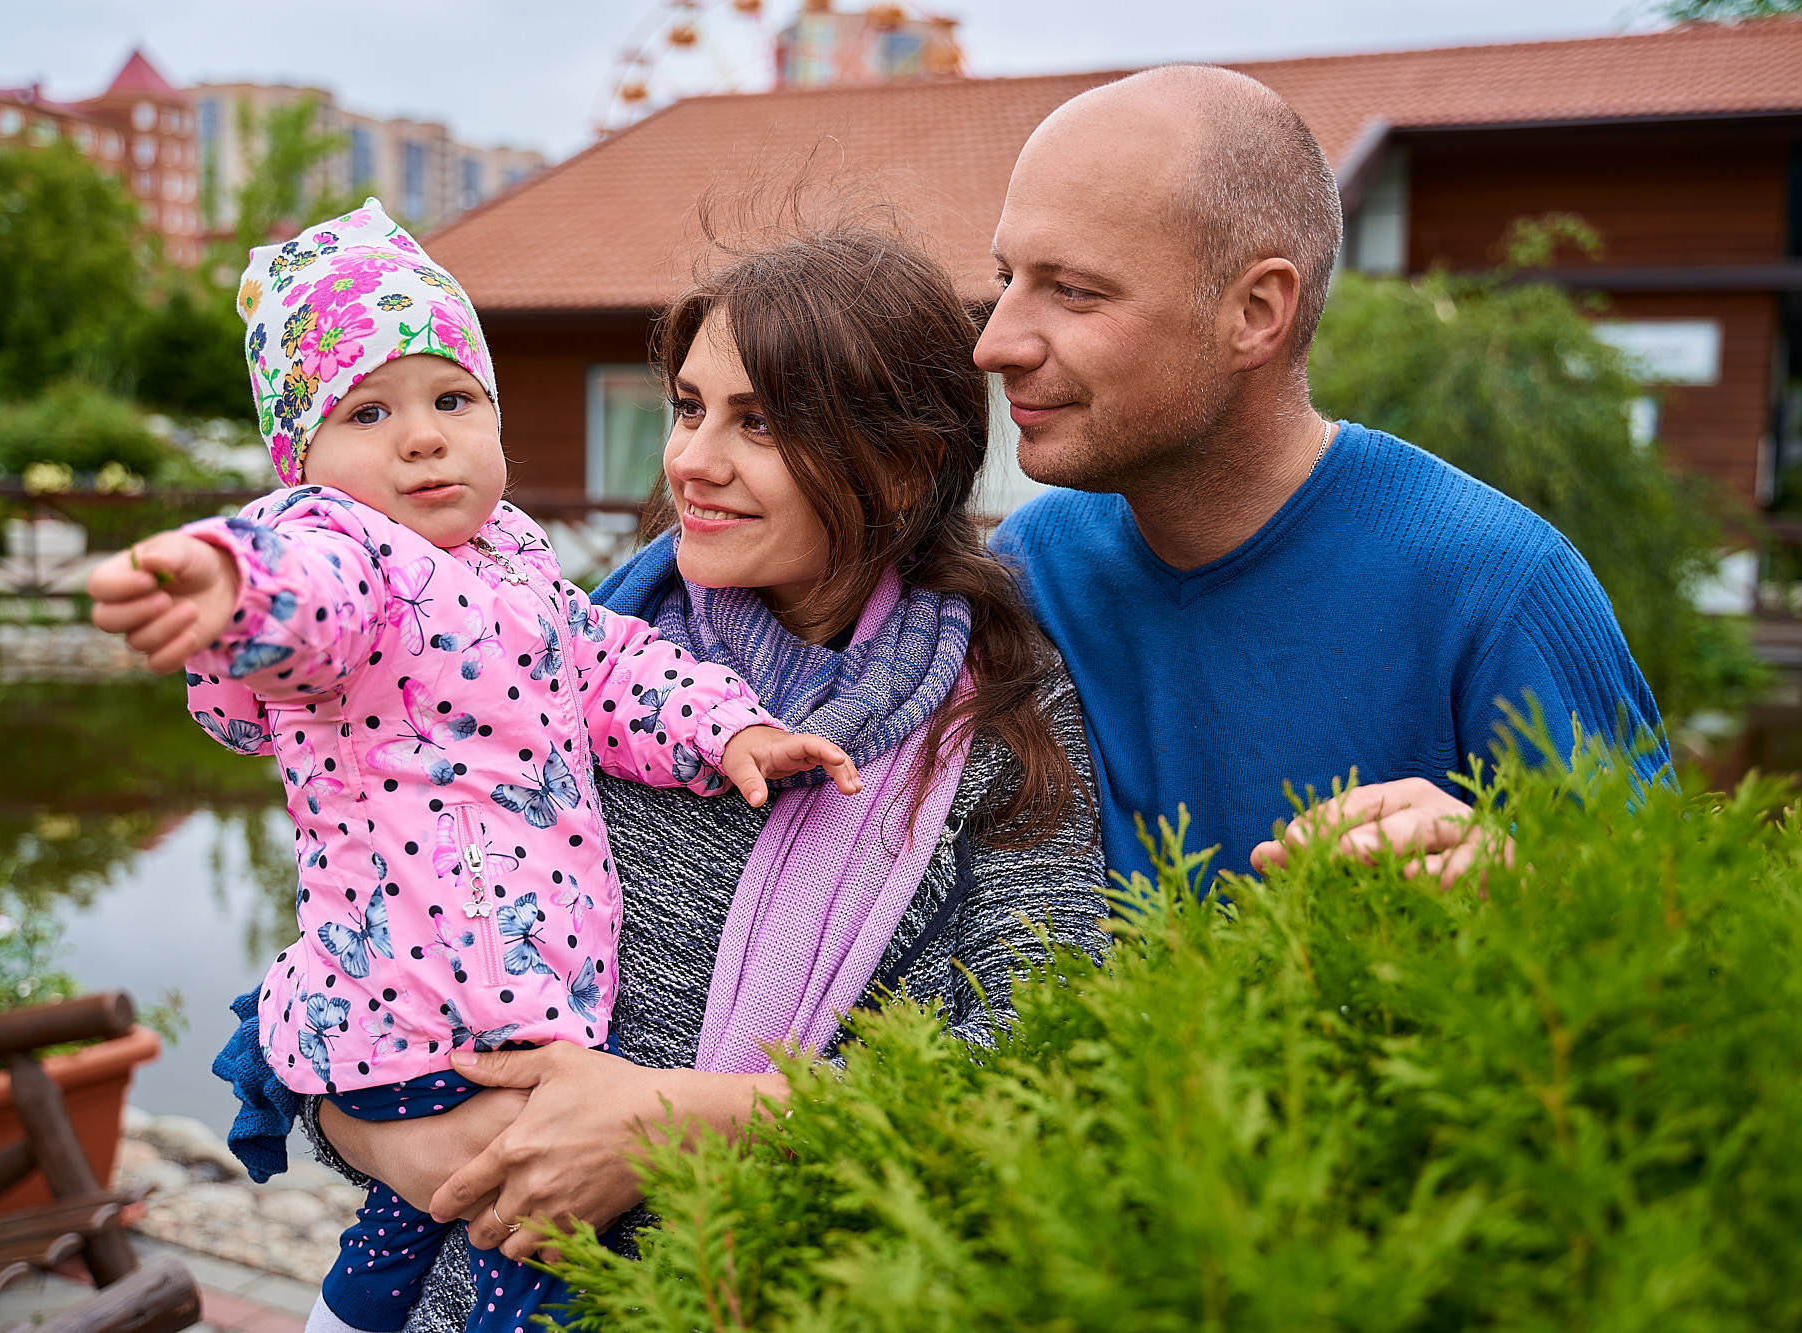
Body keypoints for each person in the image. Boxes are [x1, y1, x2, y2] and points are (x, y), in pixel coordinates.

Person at [212, 224, 1109, 1331]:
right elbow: (360, 946)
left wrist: (685, 1118)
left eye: (760, 423)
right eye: (688, 407)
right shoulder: (556, 639)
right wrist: (380, 1132)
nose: (689, 460)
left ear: (903, 463)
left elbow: (1035, 1057)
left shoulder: (996, 724)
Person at [87, 201, 864, 1333]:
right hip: (421, 1004)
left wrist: (726, 729)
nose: (422, 437)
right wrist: (229, 589)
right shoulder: (355, 555)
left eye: (454, 399)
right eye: (368, 411)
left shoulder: (521, 571)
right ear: (301, 460)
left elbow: (615, 667)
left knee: (401, 1239)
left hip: (508, 991)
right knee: (537, 1249)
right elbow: (306, 590)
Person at [978, 66, 1672, 887]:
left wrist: (1524, 882)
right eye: (1005, 280)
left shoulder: (1499, 584)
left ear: (1255, 313)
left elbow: (1666, 939)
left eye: (1075, 291)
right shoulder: (1029, 574)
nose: (996, 344)